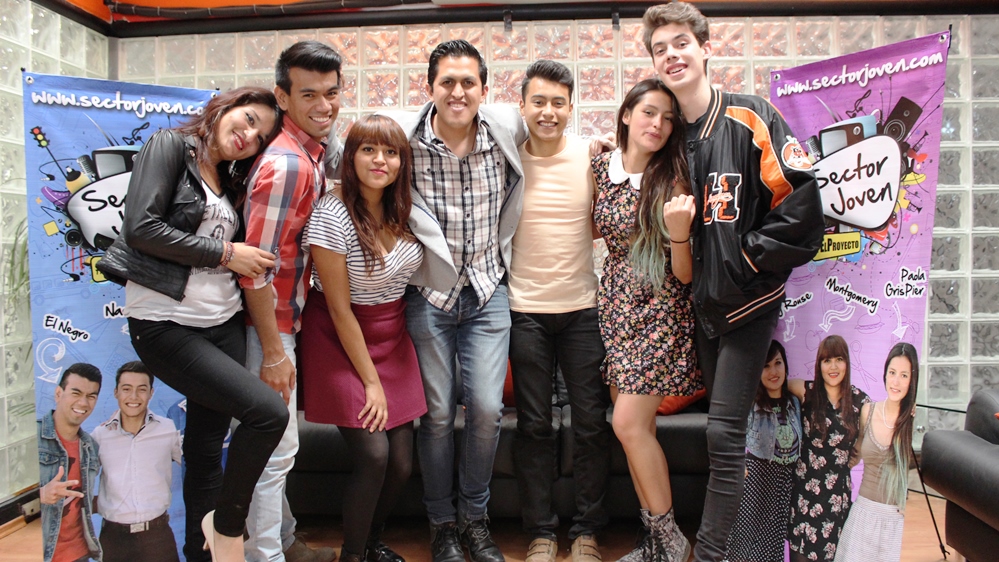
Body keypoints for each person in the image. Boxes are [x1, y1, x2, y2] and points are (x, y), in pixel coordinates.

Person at [640, 4, 825, 561]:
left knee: (724, 434)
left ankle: (710, 554)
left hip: (749, 301)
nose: (671, 55)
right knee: (720, 437)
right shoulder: (674, 138)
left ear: (705, 48)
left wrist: (743, 261)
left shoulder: (751, 116)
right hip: (704, 308)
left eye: (681, 43)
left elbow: (802, 206)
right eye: (659, 49)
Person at [97, 86, 288, 562]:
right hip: (164, 323)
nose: (248, 136)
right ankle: (228, 529)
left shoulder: (230, 180)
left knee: (204, 452)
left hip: (223, 322)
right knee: (268, 414)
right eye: (248, 119)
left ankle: (203, 553)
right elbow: (141, 227)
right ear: (224, 108)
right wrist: (226, 252)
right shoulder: (169, 146)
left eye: (260, 137)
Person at [381, 39, 527, 562]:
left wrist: (600, 143)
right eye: (448, 82)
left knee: (486, 409)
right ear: (430, 87)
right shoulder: (403, 139)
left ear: (484, 89)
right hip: (429, 293)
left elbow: (554, 131)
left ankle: (475, 520)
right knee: (439, 414)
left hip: (488, 290)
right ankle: (442, 524)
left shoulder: (506, 128)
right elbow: (346, 152)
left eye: (469, 82)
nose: (458, 92)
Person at [299, 114, 426, 562]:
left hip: (392, 335)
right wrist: (371, 382)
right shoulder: (331, 214)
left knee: (402, 463)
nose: (380, 160)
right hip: (338, 335)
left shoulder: (404, 208)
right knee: (374, 455)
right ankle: (352, 556)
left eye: (391, 152)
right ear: (350, 157)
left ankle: (372, 543)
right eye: (368, 149)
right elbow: (338, 309)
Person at [240, 41, 342, 562]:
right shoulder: (288, 166)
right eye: (309, 95)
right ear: (282, 97)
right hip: (266, 325)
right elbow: (255, 269)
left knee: (275, 447)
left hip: (281, 322)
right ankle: (267, 556)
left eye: (332, 92)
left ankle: (283, 543)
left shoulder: (311, 154)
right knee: (274, 451)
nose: (324, 106)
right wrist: (274, 351)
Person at [591, 78, 701, 562]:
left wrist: (679, 234)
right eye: (649, 112)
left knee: (628, 424)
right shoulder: (601, 166)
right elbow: (593, 226)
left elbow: (685, 274)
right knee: (638, 431)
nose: (658, 124)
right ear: (627, 114)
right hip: (616, 308)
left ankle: (671, 541)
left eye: (668, 118)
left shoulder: (672, 178)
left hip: (661, 310)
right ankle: (653, 542)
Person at [509, 59, 611, 562]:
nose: (547, 112)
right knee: (534, 426)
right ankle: (541, 533)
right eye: (538, 102)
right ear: (522, 106)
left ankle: (588, 531)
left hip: (582, 309)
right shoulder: (507, 160)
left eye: (557, 103)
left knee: (591, 422)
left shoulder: (591, 157)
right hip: (524, 309)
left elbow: (604, 219)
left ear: (571, 108)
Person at [787, 335, 870, 562]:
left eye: (839, 359)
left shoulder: (860, 402)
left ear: (847, 363)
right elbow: (771, 382)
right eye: (827, 360)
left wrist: (859, 447)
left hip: (835, 500)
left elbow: (883, 420)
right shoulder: (806, 391)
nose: (833, 367)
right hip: (804, 495)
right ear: (819, 364)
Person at [834, 342, 919, 562]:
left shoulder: (911, 419)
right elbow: (855, 454)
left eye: (904, 375)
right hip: (863, 511)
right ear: (885, 374)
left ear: (912, 380)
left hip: (893, 518)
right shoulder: (868, 411)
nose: (896, 381)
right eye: (892, 373)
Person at [92, 361, 183, 562]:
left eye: (141, 390)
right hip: (114, 540)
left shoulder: (168, 429)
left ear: (151, 393)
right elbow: (80, 482)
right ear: (116, 392)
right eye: (126, 389)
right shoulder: (100, 435)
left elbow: (196, 468)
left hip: (158, 537)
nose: (133, 397)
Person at [724, 341, 802, 562]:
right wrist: (738, 464)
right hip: (756, 483)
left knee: (771, 550)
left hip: (782, 486)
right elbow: (730, 435)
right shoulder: (751, 403)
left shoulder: (795, 403)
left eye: (778, 363)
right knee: (743, 547)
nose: (773, 371)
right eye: (765, 366)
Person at [38, 363, 103, 562]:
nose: (83, 402)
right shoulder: (30, 439)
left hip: (79, 555)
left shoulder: (91, 446)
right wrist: (40, 495)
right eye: (76, 393)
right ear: (59, 393)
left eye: (91, 396)